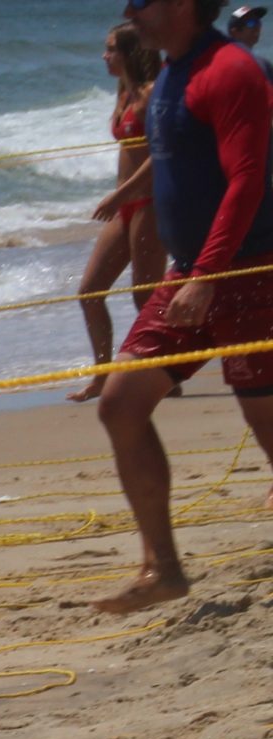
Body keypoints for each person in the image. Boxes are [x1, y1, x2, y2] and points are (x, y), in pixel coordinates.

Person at [96, 0, 273, 614]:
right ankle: (163, 570)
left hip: (248, 269)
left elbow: (246, 177)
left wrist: (209, 272)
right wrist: (126, 194)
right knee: (120, 404)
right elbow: (169, 161)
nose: (127, 13)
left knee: (266, 423)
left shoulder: (233, 69)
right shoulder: (171, 73)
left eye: (139, 3)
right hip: (190, 271)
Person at [75, 24, 173, 402]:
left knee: (144, 297)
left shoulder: (152, 93)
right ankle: (103, 374)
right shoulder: (124, 93)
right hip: (126, 204)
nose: (105, 56)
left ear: (132, 53)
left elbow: (161, 155)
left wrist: (120, 194)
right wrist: (119, 198)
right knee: (89, 292)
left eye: (111, 49)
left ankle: (166, 373)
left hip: (149, 202)